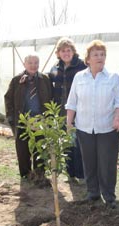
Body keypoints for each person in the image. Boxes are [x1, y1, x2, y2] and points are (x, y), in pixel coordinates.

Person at [65, 40, 119, 209]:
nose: (99, 57)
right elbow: (72, 103)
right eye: (95, 55)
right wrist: (69, 124)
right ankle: (93, 192)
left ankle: (109, 195)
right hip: (84, 127)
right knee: (89, 162)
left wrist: (117, 117)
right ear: (88, 59)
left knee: (107, 163)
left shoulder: (113, 78)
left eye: (102, 54)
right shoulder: (79, 77)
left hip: (107, 128)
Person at [4, 52, 53, 179]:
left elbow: (51, 97)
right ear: (24, 64)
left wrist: (49, 117)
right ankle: (25, 174)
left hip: (40, 119)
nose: (33, 65)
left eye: (36, 62)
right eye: (30, 63)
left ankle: (39, 172)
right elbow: (8, 98)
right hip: (22, 119)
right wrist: (10, 117)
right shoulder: (17, 80)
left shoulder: (44, 79)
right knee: (22, 148)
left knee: (40, 146)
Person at [48, 37, 87, 182]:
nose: (66, 53)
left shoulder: (82, 65)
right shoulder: (55, 68)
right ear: (58, 53)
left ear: (73, 51)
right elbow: (48, 84)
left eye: (68, 50)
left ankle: (82, 174)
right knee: (66, 143)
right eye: (63, 51)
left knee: (79, 143)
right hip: (61, 112)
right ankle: (70, 174)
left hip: (79, 111)